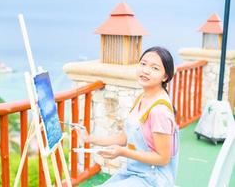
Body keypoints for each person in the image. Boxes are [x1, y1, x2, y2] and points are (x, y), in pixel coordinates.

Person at [76, 46, 179, 187]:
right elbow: (124, 138)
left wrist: (123, 152)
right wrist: (90, 139)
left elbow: (163, 158)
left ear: (165, 76)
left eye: (155, 68)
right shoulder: (142, 98)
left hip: (153, 179)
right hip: (134, 172)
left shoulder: (159, 111)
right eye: (143, 64)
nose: (145, 70)